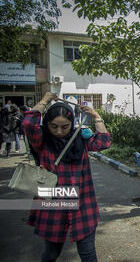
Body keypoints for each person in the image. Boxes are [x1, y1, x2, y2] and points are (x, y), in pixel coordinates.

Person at [22, 92, 110, 262]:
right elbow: (27, 123)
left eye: (65, 126)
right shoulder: (41, 140)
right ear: (47, 123)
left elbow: (103, 142)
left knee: (88, 254)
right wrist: (45, 100)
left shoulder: (81, 139)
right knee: (51, 254)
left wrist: (97, 116)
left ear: (73, 123)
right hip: (54, 205)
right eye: (54, 126)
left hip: (83, 205)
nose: (59, 131)